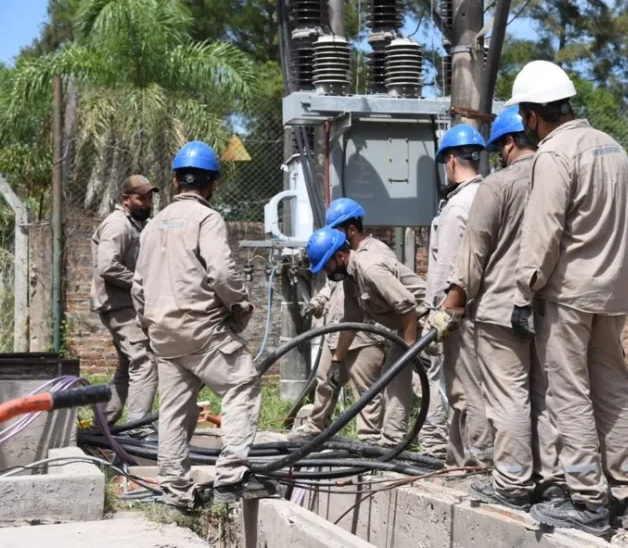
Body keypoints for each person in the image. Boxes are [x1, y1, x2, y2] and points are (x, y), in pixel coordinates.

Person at [509, 61, 628, 536]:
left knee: (569, 395)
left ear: (533, 115)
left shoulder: (554, 154)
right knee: (613, 393)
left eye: (524, 116)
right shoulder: (613, 147)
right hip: (611, 291)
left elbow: (543, 231)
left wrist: (524, 291)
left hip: (568, 294)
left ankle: (588, 500)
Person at [431, 106, 564, 510]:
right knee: (545, 395)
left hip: (501, 306)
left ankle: (511, 482)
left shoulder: (498, 185)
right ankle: (552, 480)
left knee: (508, 397)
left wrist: (451, 307)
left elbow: (472, 256)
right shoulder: (558, 178)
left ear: (508, 142)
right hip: (547, 307)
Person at [132, 141, 270, 509]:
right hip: (202, 330)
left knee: (175, 412)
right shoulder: (207, 219)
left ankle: (176, 492)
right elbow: (221, 272)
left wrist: (150, 326)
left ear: (176, 182)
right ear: (213, 184)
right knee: (242, 383)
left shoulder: (152, 226)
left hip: (162, 333)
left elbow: (138, 287)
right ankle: (232, 478)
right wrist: (239, 303)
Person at [305, 227, 428, 448]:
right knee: (394, 380)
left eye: (327, 267)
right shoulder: (350, 278)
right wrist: (336, 361)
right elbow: (351, 321)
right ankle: (391, 444)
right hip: (407, 325)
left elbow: (408, 305)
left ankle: (418, 444)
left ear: (339, 256)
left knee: (418, 382)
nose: (327, 273)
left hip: (425, 321)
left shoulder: (370, 269)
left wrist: (409, 350)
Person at [288, 199, 391, 445]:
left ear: (351, 229)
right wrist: (318, 302)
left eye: (337, 230)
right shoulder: (338, 255)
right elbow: (332, 286)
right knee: (326, 380)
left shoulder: (376, 253)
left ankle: (369, 439)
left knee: (366, 389)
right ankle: (316, 427)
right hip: (337, 331)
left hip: (365, 335)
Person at [425, 124, 491, 465]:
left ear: (451, 161)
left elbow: (447, 270)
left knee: (464, 390)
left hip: (457, 315)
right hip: (487, 310)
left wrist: (438, 318)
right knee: (473, 387)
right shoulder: (490, 196)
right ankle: (458, 460)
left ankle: (476, 463)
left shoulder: (456, 207)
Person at [90, 175, 158, 437]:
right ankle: (138, 428)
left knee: (127, 366)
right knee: (144, 361)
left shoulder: (135, 224)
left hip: (128, 303)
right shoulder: (118, 225)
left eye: (149, 197)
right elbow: (108, 266)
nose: (146, 202)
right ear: (126, 199)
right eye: (141, 198)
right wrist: (141, 283)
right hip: (119, 305)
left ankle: (101, 426)